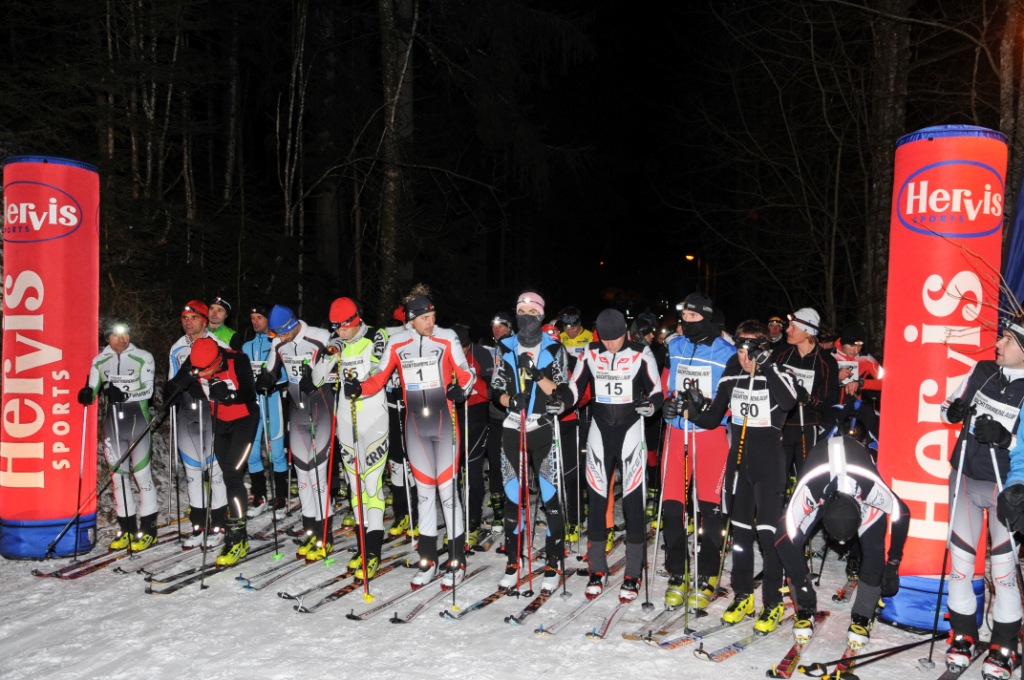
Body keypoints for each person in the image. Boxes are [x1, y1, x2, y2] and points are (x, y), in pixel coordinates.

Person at [344, 284, 476, 590]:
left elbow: (467, 372)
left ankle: (457, 559)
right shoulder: (397, 342)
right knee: (424, 494)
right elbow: (378, 376)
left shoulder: (447, 338)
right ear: (411, 319)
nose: (431, 321)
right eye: (425, 317)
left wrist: (461, 390)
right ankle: (428, 559)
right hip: (415, 426)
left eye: (433, 315)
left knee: (447, 492)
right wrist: (359, 389)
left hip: (445, 425)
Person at [685, 320, 797, 633]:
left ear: (763, 348)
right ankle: (743, 594)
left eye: (751, 350)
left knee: (767, 534)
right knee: (740, 535)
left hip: (769, 464)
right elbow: (711, 418)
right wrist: (690, 408)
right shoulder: (732, 371)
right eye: (740, 348)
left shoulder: (778, 371)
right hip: (739, 463)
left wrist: (767, 365)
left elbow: (789, 402)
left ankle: (773, 601)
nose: (744, 356)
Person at [940, 316, 1024, 678]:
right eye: (1001, 337)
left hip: (1005, 488)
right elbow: (948, 406)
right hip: (965, 476)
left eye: (1007, 340)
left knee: (1003, 571)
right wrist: (953, 411)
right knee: (960, 561)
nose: (998, 344)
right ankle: (963, 636)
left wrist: (1007, 440)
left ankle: (1006, 645)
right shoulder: (982, 370)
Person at [776, 435, 908, 647]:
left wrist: (893, 563)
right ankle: (805, 608)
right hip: (822, 482)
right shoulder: (809, 490)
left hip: (859, 487)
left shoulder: (871, 488)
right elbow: (782, 538)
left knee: (874, 549)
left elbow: (903, 513)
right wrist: (801, 584)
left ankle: (863, 615)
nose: (842, 544)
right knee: (790, 541)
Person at [569, 308, 663, 603]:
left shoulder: (640, 352)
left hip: (631, 430)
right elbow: (575, 388)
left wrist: (651, 405)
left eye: (616, 338)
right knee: (596, 499)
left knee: (634, 502)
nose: (611, 344)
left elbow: (657, 391)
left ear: (626, 331)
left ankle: (633, 571)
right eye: (606, 339)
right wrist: (561, 401)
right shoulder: (590, 352)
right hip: (599, 430)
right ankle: (597, 568)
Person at [659, 292, 736, 610]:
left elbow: (727, 402)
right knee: (672, 506)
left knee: (710, 508)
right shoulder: (674, 346)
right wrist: (665, 404)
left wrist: (702, 406)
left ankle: (708, 575)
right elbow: (666, 384)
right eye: (683, 318)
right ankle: (677, 572)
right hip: (677, 436)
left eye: (690, 318)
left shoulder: (727, 353)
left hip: (710, 437)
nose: (684, 323)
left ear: (704, 318)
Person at [491, 292, 572, 592]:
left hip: (542, 429)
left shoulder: (555, 348)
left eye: (531, 311)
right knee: (514, 497)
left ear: (540, 315)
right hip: (513, 428)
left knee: (550, 497)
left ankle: (553, 563)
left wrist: (537, 374)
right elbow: (495, 388)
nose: (526, 316)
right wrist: (510, 400)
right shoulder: (505, 347)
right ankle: (513, 562)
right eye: (520, 311)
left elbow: (560, 391)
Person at [310, 297, 391, 579]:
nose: (338, 332)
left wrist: (362, 386)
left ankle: (374, 552)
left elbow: (380, 371)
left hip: (373, 416)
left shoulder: (375, 336)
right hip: (346, 417)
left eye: (341, 327)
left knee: (371, 483)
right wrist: (329, 354)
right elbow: (316, 378)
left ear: (354, 321)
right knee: (354, 485)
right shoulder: (337, 341)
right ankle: (362, 546)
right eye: (334, 327)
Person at [257, 304, 336, 562]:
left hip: (322, 409)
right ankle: (311, 529)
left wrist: (317, 378)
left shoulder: (320, 337)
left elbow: (339, 366)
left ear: (291, 324)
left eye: (282, 332)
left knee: (318, 474)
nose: (279, 337)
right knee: (302, 474)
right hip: (298, 411)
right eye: (275, 333)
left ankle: (326, 535)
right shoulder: (279, 343)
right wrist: (266, 379)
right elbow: (271, 368)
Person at [174, 337, 259, 565]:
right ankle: (238, 537)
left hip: (244, 420)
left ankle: (236, 538)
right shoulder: (194, 363)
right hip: (219, 422)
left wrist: (230, 395)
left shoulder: (237, 360)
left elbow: (250, 392)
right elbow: (176, 383)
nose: (201, 374)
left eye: (206, 370)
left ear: (217, 360)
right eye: (197, 370)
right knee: (225, 472)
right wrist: (173, 389)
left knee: (232, 474)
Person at [77, 320, 159, 551]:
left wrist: (122, 394)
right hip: (113, 426)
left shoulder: (143, 356)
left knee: (142, 476)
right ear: (107, 338)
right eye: (115, 335)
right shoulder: (100, 360)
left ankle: (149, 529)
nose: (121, 340)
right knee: (119, 480)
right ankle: (127, 529)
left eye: (125, 335)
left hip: (137, 423)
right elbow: (92, 389)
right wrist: (86, 393)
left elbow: (148, 390)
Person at [166, 300, 230, 549]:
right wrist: (171, 391)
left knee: (215, 471)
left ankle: (219, 523)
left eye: (193, 318)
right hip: (187, 413)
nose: (188, 322)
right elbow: (172, 380)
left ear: (204, 320)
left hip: (213, 412)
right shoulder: (177, 348)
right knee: (192, 473)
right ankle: (198, 524)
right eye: (184, 317)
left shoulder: (219, 345)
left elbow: (230, 379)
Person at [774, 307, 840, 478]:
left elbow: (828, 400)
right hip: (780, 425)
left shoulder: (826, 361)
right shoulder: (781, 354)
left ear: (807, 332)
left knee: (807, 476)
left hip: (808, 427)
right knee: (777, 477)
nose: (787, 330)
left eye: (792, 327)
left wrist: (806, 398)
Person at [242, 303, 288, 519]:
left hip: (272, 399)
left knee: (276, 451)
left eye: (260, 317)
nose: (255, 321)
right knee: (250, 452)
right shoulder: (246, 346)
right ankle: (259, 495)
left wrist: (273, 379)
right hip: (253, 403)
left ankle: (281, 498)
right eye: (253, 318)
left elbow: (286, 376)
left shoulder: (278, 343)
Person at [453, 321, 493, 547]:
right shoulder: (447, 354)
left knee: (472, 466)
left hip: (476, 413)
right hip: (453, 414)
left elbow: (491, 392)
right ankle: (457, 518)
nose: (463, 352)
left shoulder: (481, 355)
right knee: (453, 470)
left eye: (466, 347)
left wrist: (473, 380)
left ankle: (473, 522)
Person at [484, 312, 514, 531]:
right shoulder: (488, 351)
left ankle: (514, 506)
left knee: (513, 464)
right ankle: (498, 510)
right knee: (494, 463)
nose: (497, 330)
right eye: (494, 326)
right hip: (495, 416)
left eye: (501, 326)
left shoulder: (519, 346)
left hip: (515, 417)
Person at [831, 322, 883, 403]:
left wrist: (861, 383)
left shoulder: (866, 359)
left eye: (859, 346)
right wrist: (834, 375)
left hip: (854, 408)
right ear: (842, 342)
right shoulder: (829, 356)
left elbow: (886, 382)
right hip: (829, 409)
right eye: (852, 346)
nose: (856, 351)